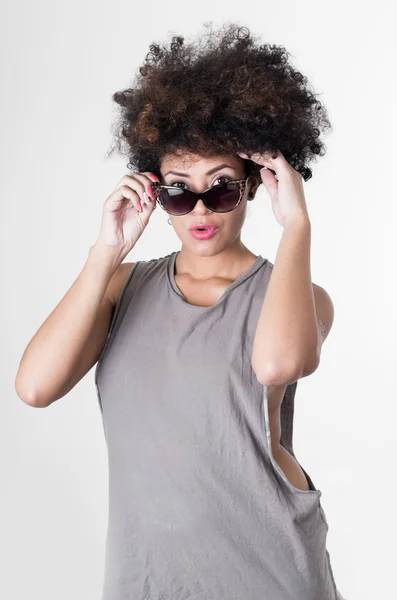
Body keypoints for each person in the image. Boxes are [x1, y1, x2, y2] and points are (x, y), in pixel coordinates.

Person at [15, 22, 347, 600]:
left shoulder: (298, 296)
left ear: (251, 187)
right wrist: (107, 249)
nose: (199, 207)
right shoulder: (120, 287)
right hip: (151, 575)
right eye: (177, 189)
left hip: (270, 570)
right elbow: (35, 387)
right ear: (154, 191)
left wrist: (297, 223)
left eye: (220, 187)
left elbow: (276, 363)